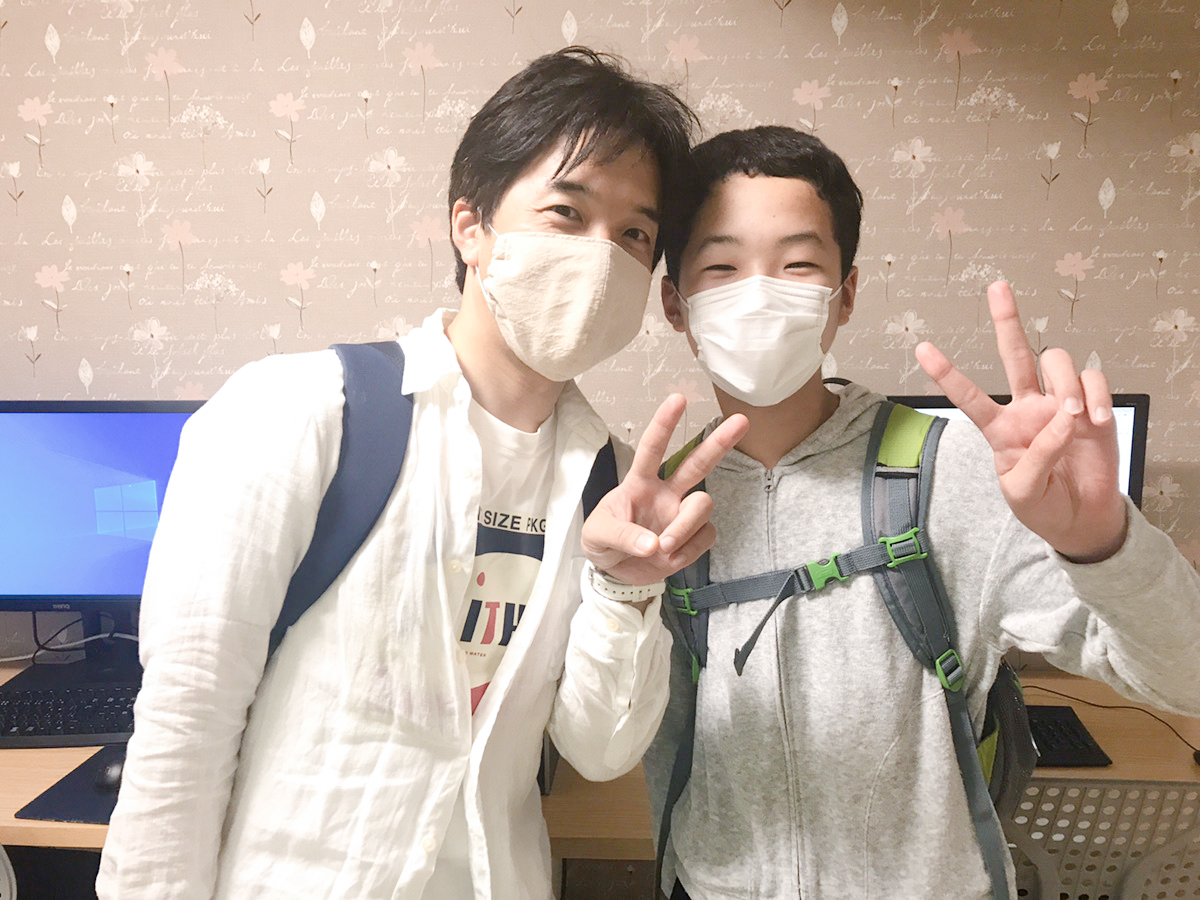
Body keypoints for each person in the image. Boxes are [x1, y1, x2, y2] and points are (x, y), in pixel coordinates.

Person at [97, 47, 747, 900]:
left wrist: (627, 590)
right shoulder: (300, 411)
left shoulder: (615, 487)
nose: (602, 257)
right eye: (567, 212)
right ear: (470, 227)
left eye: (634, 235)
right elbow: (186, 719)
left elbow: (599, 751)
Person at [646, 125, 1200, 900]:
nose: (760, 292)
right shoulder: (654, 502)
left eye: (798, 264)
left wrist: (1103, 545)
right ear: (675, 303)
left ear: (845, 295)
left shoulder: (960, 472)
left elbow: (1186, 680)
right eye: (721, 266)